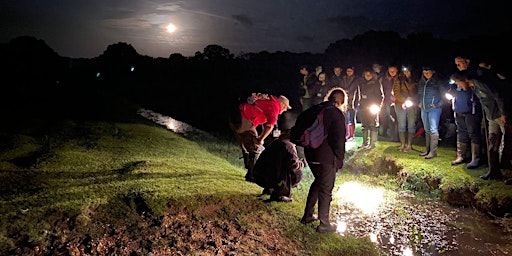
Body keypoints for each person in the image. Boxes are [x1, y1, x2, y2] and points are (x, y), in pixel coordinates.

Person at [450, 71, 511, 181]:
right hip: (491, 117)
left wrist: (504, 113)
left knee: (507, 144)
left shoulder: (481, 84)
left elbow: (497, 95)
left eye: (459, 82)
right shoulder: (473, 87)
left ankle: (507, 172)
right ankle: (493, 172)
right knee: (492, 144)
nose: (458, 85)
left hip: (499, 116)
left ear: (465, 80)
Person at [300, 88, 346, 233]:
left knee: (319, 181)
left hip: (310, 153)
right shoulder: (336, 114)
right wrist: (339, 159)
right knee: (326, 190)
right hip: (325, 156)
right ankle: (324, 224)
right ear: (342, 102)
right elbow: (339, 140)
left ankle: (308, 216)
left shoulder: (316, 109)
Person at [229, 94, 292, 181]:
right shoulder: (275, 107)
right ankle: (252, 175)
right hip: (244, 116)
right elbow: (269, 126)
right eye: (286, 108)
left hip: (236, 115)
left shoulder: (269, 102)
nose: (285, 110)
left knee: (247, 143)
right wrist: (260, 139)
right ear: (282, 104)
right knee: (256, 146)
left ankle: (249, 166)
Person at [252, 129, 306, 202]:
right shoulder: (289, 146)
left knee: (280, 167)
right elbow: (294, 165)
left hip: (258, 176)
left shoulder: (277, 142)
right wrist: (302, 163)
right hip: (269, 179)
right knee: (298, 173)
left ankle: (270, 189)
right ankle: (281, 194)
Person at [451, 56, 483, 168]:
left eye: (460, 62)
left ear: (467, 61)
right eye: (456, 63)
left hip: (471, 109)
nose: (458, 65)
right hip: (458, 108)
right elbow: (451, 82)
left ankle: (476, 158)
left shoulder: (474, 74)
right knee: (460, 131)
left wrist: (465, 84)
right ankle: (461, 155)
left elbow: (475, 86)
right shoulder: (456, 75)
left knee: (474, 133)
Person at [417, 65, 448, 159]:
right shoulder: (421, 82)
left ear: (433, 72)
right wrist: (419, 102)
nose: (426, 74)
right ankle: (427, 150)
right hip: (424, 107)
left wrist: (438, 104)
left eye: (428, 72)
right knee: (426, 129)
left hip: (434, 108)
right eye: (424, 72)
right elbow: (419, 93)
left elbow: (444, 96)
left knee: (433, 128)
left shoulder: (438, 81)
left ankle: (433, 152)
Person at [354, 69, 384, 150]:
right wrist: (357, 103)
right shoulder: (361, 83)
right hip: (364, 106)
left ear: (372, 75)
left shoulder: (376, 83)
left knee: (373, 124)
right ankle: (364, 143)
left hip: (372, 107)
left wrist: (378, 106)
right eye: (366, 75)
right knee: (364, 125)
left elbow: (381, 96)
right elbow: (358, 94)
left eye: (369, 75)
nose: (367, 77)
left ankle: (372, 143)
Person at [393, 65, 418, 152]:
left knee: (411, 124)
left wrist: (411, 99)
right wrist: (405, 100)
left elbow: (417, 92)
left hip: (412, 104)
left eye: (408, 71)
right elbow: (396, 92)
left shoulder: (416, 80)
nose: (406, 73)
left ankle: (409, 145)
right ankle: (403, 144)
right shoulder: (398, 80)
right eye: (405, 71)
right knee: (401, 124)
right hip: (400, 104)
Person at [379, 65, 400, 141]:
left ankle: (396, 136)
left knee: (397, 119)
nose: (392, 73)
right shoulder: (384, 79)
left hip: (398, 101)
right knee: (390, 118)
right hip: (387, 101)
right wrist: (383, 100)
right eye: (390, 71)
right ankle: (392, 135)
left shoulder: (399, 79)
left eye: (394, 71)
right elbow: (382, 90)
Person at [341, 66, 361, 140]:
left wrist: (356, 103)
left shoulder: (357, 80)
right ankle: (347, 133)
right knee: (345, 118)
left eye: (350, 71)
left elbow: (358, 92)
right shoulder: (343, 79)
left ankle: (352, 134)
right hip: (344, 101)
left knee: (352, 118)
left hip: (353, 101)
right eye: (347, 71)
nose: (349, 72)